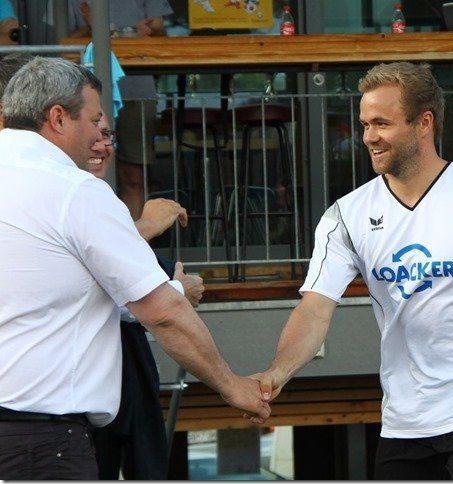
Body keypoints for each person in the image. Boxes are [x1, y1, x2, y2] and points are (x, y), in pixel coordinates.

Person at [251, 62, 453, 480]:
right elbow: (315, 309)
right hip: (403, 421)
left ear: (424, 123)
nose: (368, 136)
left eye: (382, 123)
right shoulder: (346, 216)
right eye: (365, 124)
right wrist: (278, 371)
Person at [0, 57, 268, 480]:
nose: (100, 136)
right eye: (94, 121)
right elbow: (162, 313)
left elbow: (61, 292)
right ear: (58, 118)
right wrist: (233, 386)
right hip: (41, 444)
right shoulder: (75, 190)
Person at [85, 116, 203, 479]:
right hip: (59, 406)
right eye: (91, 129)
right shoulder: (51, 194)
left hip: (110, 378)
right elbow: (97, 292)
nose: (102, 144)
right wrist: (177, 290)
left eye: (107, 133)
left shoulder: (98, 197)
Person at [68, 0, 173, 220]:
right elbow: (56, 44)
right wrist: (89, 29)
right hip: (81, 96)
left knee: (134, 177)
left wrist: (148, 32)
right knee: (82, 177)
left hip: (136, 91)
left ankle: (136, 238)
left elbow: (161, 33)